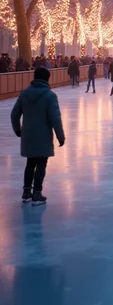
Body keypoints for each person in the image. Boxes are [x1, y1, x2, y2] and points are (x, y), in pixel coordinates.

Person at [10, 67, 65, 205]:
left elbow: (14, 114)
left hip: (28, 135)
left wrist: (18, 130)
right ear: (47, 79)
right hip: (43, 136)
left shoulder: (25, 94)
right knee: (41, 164)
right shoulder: (50, 96)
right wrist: (60, 136)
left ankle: (26, 192)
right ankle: (37, 193)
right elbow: (55, 118)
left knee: (30, 163)